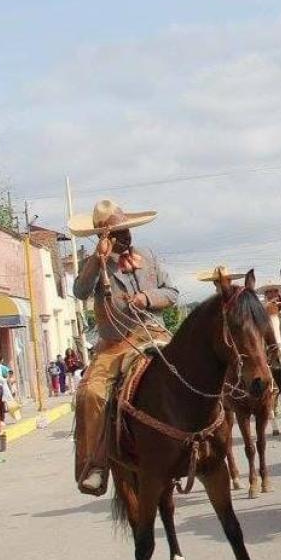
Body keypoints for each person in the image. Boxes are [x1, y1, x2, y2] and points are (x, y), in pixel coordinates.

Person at [68, 199, 177, 496]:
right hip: (114, 345)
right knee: (91, 393)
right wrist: (96, 260)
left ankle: (200, 440)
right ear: (104, 237)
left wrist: (147, 298)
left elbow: (172, 293)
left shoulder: (149, 257)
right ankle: (97, 464)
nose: (126, 236)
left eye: (126, 229)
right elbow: (79, 292)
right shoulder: (96, 264)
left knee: (187, 370)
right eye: (118, 232)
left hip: (154, 335)